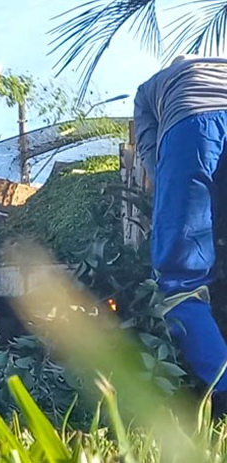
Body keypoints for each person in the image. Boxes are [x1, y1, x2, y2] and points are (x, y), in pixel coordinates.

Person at [134, 54, 227, 410]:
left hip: (192, 125)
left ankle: (223, 390)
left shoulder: (148, 92)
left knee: (179, 285)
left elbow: (155, 161)